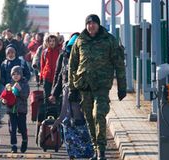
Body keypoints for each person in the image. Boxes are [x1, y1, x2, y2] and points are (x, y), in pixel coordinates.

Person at [68, 14, 127, 160]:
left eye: (94, 23)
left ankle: (101, 151)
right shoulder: (80, 40)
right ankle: (95, 148)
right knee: (89, 117)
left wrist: (122, 87)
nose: (91, 25)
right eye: (88, 23)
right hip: (84, 85)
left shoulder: (109, 40)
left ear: (98, 25)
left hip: (101, 85)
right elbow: (72, 65)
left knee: (98, 114)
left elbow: (119, 64)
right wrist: (72, 88)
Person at [0, 66, 30, 153]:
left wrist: (20, 90)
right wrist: (3, 101)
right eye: (13, 74)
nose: (16, 76)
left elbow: (25, 95)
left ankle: (24, 141)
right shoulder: (9, 85)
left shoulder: (24, 84)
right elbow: (3, 96)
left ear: (21, 74)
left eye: (17, 74)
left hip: (21, 111)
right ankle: (14, 146)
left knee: (22, 128)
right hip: (11, 110)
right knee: (12, 129)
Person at [38, 34, 62, 122]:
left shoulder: (59, 52)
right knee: (46, 98)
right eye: (50, 41)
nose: (51, 43)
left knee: (57, 98)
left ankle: (57, 117)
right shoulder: (44, 52)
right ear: (47, 42)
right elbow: (42, 65)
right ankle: (45, 118)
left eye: (53, 41)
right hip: (47, 77)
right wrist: (41, 77)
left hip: (57, 79)